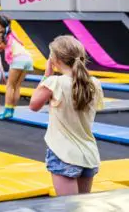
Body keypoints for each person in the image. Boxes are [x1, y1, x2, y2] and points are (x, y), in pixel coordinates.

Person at [30, 35, 104, 196]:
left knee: (68, 208)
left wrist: (47, 74)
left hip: (64, 154)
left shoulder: (54, 82)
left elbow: (34, 105)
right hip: (89, 155)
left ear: (54, 59)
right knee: (81, 207)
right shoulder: (94, 83)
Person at [0, 15, 33, 119]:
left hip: (18, 58)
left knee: (10, 86)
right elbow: (10, 45)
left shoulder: (0, 36)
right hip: (28, 58)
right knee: (17, 86)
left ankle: (7, 111)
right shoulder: (11, 33)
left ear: (0, 25)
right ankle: (12, 110)